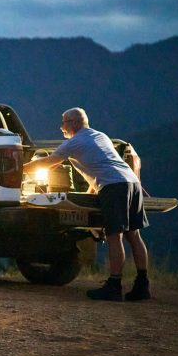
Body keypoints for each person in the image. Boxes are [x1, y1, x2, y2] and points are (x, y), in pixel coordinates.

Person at [24, 108, 151, 302]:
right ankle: (142, 285)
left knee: (114, 236)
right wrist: (89, 195)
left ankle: (114, 286)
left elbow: (49, 162)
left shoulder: (74, 142)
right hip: (132, 183)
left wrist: (19, 169)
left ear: (74, 123)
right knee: (134, 235)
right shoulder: (100, 136)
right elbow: (99, 168)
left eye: (64, 123)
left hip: (114, 187)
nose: (61, 127)